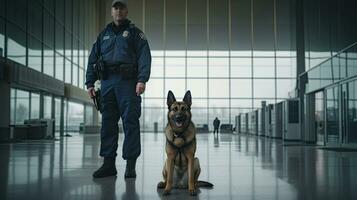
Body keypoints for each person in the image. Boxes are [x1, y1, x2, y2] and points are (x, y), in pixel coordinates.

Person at [85, 0, 151, 179]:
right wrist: (90, 83)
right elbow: (93, 59)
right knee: (107, 123)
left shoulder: (136, 34)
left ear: (126, 11)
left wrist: (142, 80)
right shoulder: (103, 35)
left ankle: (130, 166)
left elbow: (145, 57)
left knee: (130, 122)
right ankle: (108, 165)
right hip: (107, 83)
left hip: (128, 83)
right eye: (116, 8)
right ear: (111, 11)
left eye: (122, 8)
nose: (119, 10)